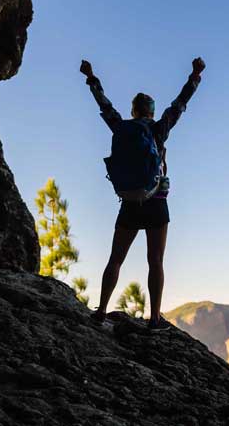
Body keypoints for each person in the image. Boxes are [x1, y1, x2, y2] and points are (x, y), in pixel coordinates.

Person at [80, 56, 205, 330]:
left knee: (116, 258)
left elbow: (104, 105)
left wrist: (91, 77)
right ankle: (155, 319)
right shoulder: (160, 129)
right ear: (151, 112)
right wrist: (194, 75)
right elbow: (180, 104)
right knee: (155, 261)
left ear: (134, 111)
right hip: (157, 202)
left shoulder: (122, 126)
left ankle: (100, 311)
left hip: (129, 203)